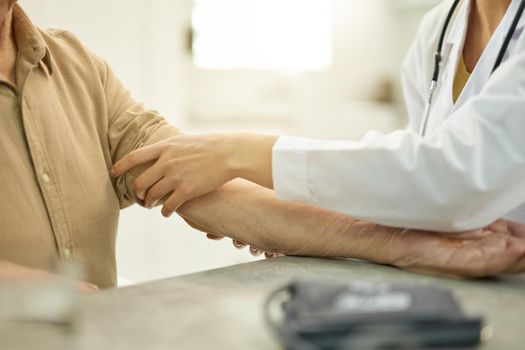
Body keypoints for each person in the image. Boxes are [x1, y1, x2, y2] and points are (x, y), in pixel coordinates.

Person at [1, 1, 524, 292]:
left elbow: (201, 184)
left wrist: (403, 245)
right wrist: (34, 296)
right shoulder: (439, 31)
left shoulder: (75, 67)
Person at [112, 0, 525, 233]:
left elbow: (450, 180)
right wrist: (292, 223)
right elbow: (415, 182)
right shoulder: (438, 28)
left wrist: (239, 151)